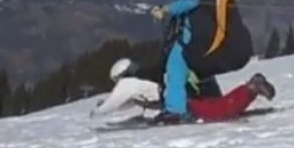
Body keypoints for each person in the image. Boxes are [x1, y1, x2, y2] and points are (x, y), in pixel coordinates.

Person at [92, 57, 276, 122]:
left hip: (180, 99)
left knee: (217, 111)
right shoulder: (142, 78)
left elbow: (115, 102)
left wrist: (98, 110)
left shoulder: (128, 83)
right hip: (184, 90)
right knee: (215, 105)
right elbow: (129, 101)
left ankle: (251, 88)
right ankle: (250, 89)